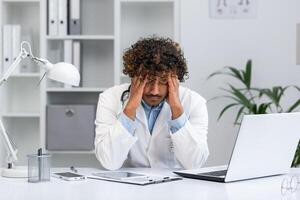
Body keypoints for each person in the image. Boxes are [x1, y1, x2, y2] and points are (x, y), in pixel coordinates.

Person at [94, 36, 209, 170]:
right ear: (133, 76)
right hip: (129, 186)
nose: (154, 91)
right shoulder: (109, 98)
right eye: (147, 81)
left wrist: (177, 110)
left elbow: (195, 163)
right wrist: (130, 108)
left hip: (176, 186)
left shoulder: (194, 102)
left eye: (163, 82)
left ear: (176, 79)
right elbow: (109, 162)